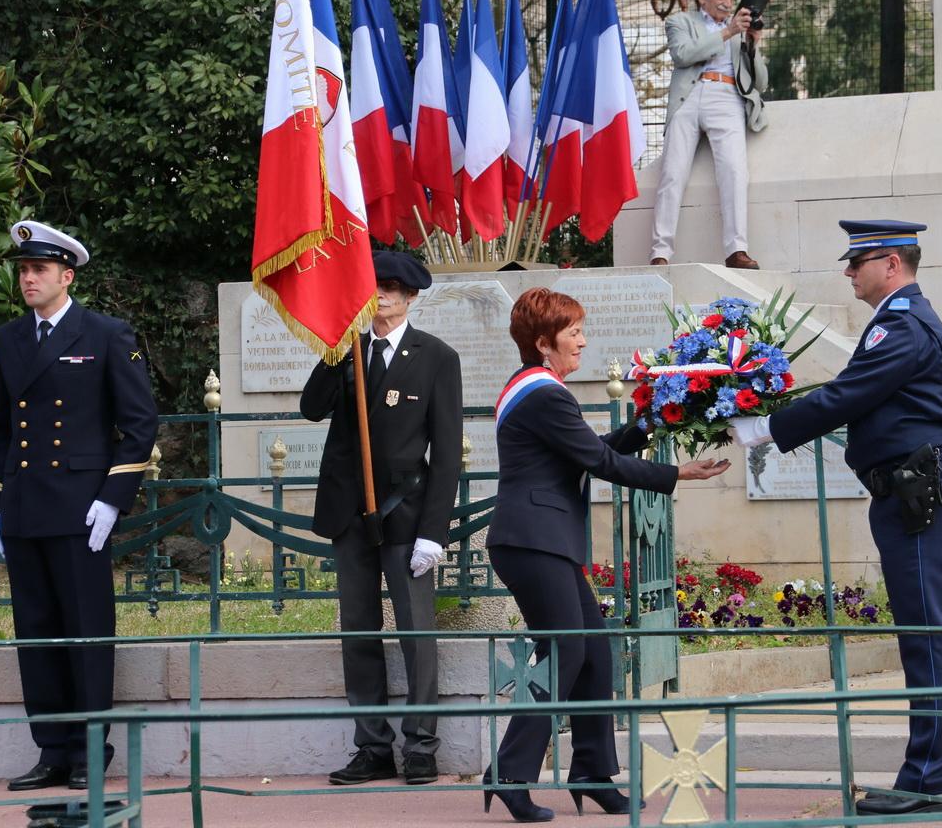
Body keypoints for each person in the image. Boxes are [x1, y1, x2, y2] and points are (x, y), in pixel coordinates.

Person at [730, 220, 942, 815]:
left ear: (891, 264)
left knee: (928, 635)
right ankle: (927, 775)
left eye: (856, 261)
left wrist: (764, 428)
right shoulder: (897, 321)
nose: (847, 272)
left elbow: (848, 395)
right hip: (910, 494)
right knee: (921, 632)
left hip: (922, 497)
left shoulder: (902, 324)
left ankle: (932, 777)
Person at [484, 287, 730, 823]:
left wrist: (650, 419)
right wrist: (676, 473)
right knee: (568, 652)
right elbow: (598, 461)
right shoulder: (544, 394)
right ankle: (510, 773)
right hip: (532, 540)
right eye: (574, 333)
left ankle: (593, 773)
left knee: (595, 652)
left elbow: (590, 450)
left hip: (542, 540)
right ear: (544, 343)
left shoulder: (537, 389)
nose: (584, 341)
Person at [0, 220, 158, 791]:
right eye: (23, 269)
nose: (28, 278)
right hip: (28, 504)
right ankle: (51, 748)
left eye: (39, 269)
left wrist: (113, 499)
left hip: (82, 508)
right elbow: (2, 428)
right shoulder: (9, 339)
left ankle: (89, 749)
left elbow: (138, 426)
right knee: (35, 632)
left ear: (68, 274)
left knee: (85, 630)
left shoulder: (105, 332)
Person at [299, 250, 463, 788]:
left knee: (417, 634)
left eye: (391, 287)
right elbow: (310, 408)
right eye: (374, 286)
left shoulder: (436, 357)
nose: (382, 296)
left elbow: (445, 452)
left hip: (406, 514)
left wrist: (433, 533)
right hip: (350, 513)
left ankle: (420, 745)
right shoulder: (347, 350)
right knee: (359, 632)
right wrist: (334, 351)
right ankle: (372, 746)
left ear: (411, 296)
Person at [650, 0, 768, 271]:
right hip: (689, 96)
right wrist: (728, 32)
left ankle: (737, 250)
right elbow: (684, 54)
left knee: (734, 172)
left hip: (727, 97)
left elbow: (762, 83)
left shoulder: (738, 29)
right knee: (672, 174)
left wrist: (753, 43)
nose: (728, 3)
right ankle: (660, 251)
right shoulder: (680, 21)